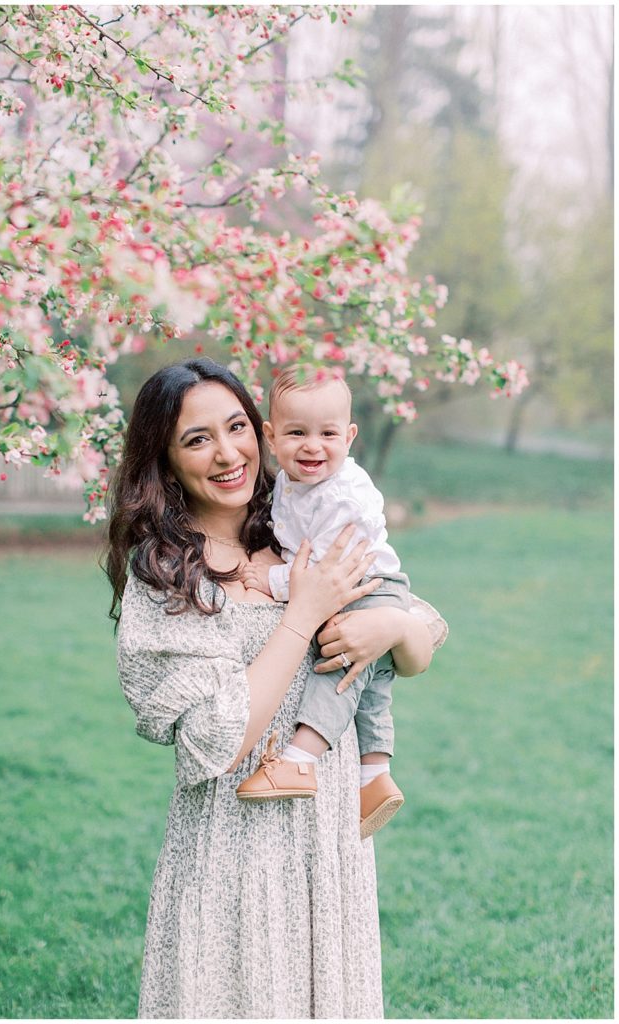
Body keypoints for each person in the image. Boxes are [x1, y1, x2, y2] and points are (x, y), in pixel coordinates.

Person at [107, 357, 443, 1019]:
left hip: (329, 842)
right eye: (197, 439)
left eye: (236, 427)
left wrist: (387, 626)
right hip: (235, 848)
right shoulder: (170, 578)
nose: (228, 453)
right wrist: (302, 615)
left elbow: (420, 637)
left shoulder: (299, 527)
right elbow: (216, 742)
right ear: (165, 460)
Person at [236, 365, 447, 839]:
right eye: (296, 433)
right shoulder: (294, 482)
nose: (313, 445)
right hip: (360, 584)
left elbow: (325, 576)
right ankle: (374, 774)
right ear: (271, 436)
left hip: (368, 584)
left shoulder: (345, 495)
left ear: (349, 436)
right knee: (371, 682)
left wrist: (270, 580)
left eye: (328, 433)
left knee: (340, 666)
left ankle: (300, 758)